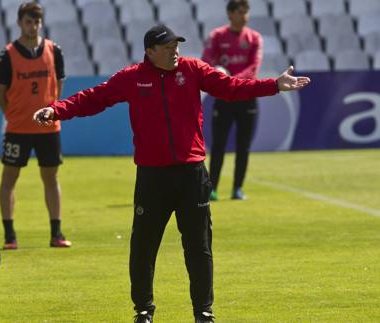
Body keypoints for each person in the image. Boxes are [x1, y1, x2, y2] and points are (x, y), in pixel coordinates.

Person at [34, 25, 310, 323]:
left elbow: (230, 88)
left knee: (198, 247)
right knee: (143, 247)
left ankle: (204, 312)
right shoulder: (132, 77)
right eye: (167, 47)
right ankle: (143, 311)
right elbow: (93, 98)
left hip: (192, 174)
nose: (174, 51)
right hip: (152, 177)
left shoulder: (193, 69)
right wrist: (56, 109)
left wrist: (274, 85)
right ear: (150, 52)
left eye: (176, 45)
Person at [0, 1, 69, 250]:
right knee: (9, 178)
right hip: (18, 128)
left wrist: (51, 111)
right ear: (19, 23)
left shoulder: (53, 50)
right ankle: (9, 235)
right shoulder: (7, 55)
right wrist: (14, 114)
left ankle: (56, 233)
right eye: (28, 21)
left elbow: (58, 85)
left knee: (51, 177)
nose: (33, 26)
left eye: (37, 21)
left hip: (48, 128)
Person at [201, 0, 263, 200]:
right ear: (230, 14)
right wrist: (223, 79)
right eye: (240, 11)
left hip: (246, 96)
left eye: (246, 11)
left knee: (243, 146)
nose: (244, 15)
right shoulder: (217, 36)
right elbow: (207, 61)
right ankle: (213, 189)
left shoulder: (254, 38)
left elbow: (254, 67)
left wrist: (232, 81)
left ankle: (237, 188)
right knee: (218, 145)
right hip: (224, 98)